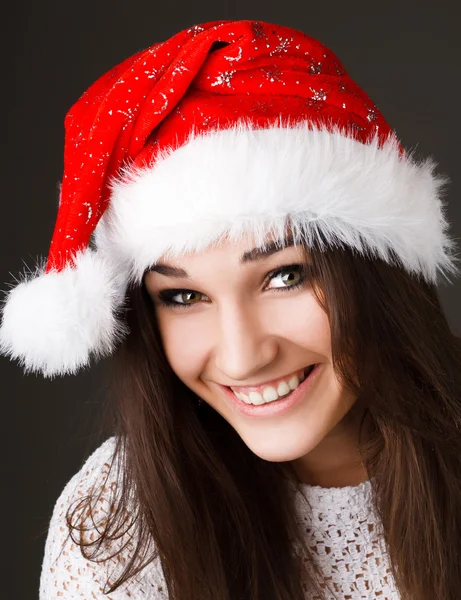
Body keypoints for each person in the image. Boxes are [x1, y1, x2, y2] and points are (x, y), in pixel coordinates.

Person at [2, 18, 461, 600]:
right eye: (184, 297)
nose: (243, 359)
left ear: (376, 270)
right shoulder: (115, 530)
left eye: (284, 276)